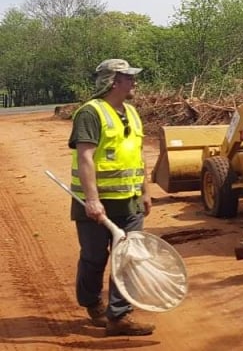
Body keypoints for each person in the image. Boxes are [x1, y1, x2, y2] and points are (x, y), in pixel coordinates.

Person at [68, 58, 155, 336]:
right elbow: (85, 157)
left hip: (129, 202)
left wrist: (145, 191)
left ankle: (119, 316)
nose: (134, 82)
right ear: (114, 82)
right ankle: (91, 302)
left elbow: (138, 155)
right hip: (96, 203)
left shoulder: (131, 112)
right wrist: (93, 200)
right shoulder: (90, 113)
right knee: (94, 258)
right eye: (129, 78)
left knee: (128, 257)